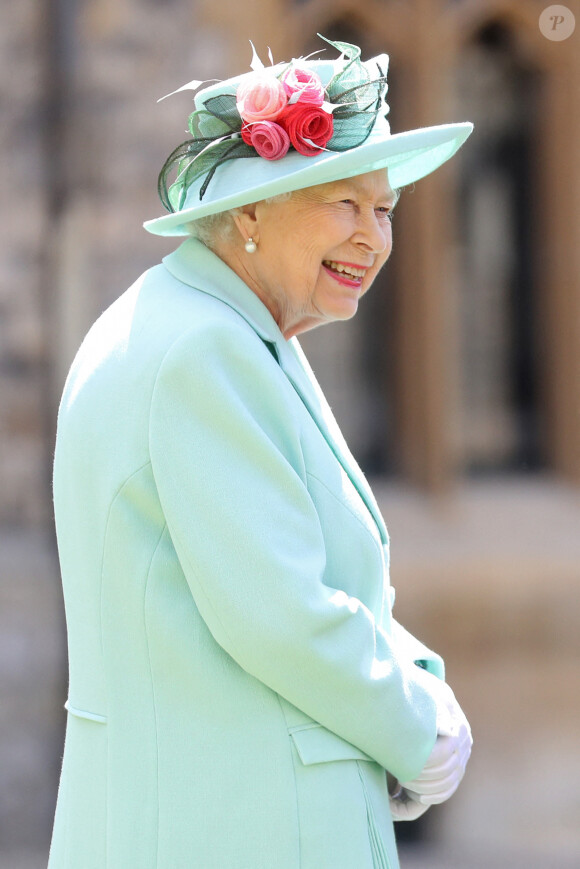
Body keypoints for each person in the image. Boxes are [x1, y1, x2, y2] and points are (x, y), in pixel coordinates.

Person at [48, 36, 473, 869]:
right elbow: (279, 613)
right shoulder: (204, 348)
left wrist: (421, 676)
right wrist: (421, 729)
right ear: (249, 213)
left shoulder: (217, 325)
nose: (374, 239)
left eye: (383, 209)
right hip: (235, 828)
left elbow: (320, 573)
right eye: (343, 204)